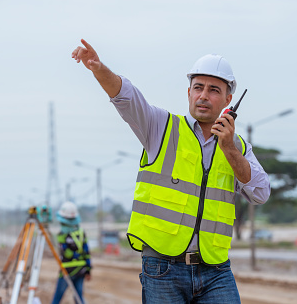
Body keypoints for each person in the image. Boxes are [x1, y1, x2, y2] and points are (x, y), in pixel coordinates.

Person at [71, 39, 271, 303]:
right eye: (198, 87)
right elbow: (126, 97)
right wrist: (99, 69)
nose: (203, 95)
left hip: (216, 270)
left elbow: (261, 193)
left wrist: (231, 150)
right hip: (163, 268)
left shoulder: (237, 147)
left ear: (228, 100)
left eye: (213, 90)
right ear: (188, 92)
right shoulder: (161, 128)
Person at [51, 201, 91, 304]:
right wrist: (88, 270)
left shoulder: (61, 235)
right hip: (81, 270)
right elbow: (86, 252)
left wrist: (74, 256)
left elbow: (66, 253)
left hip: (67, 271)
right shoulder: (81, 232)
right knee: (79, 297)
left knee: (57, 298)